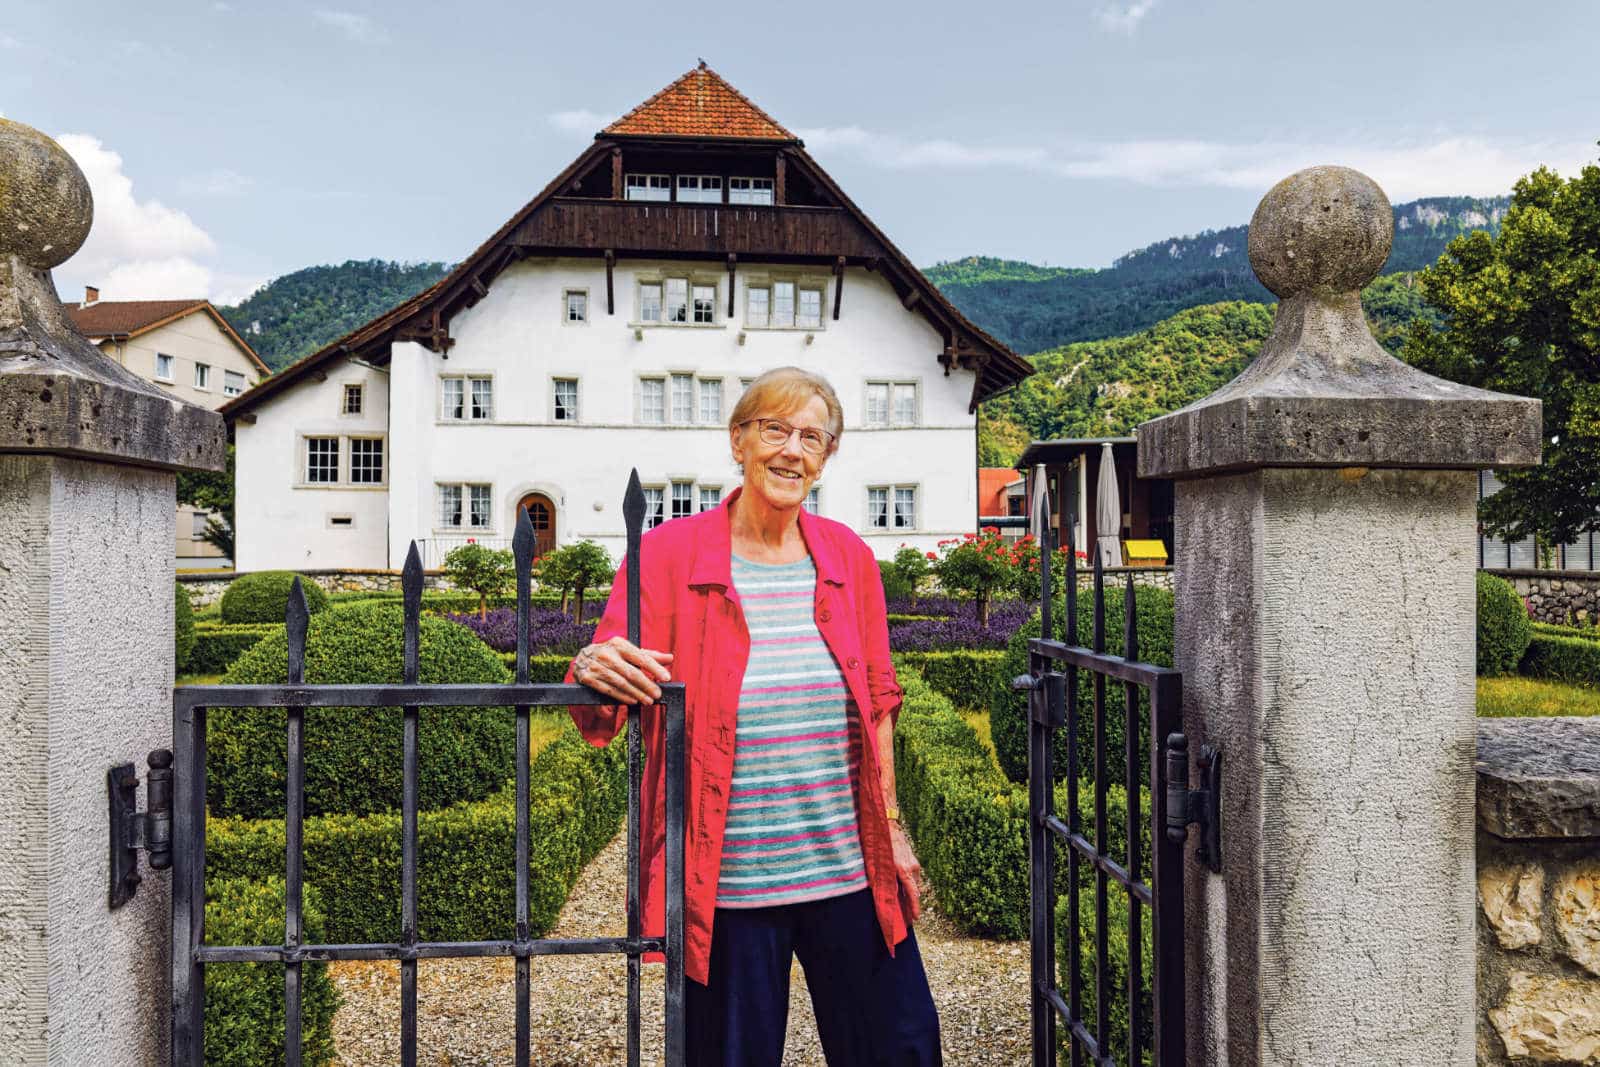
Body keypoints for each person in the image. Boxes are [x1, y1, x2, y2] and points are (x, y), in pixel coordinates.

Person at [565, 366, 942, 1066]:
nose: (792, 450)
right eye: (775, 429)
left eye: (812, 436)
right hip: (729, 884)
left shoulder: (850, 559)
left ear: (826, 456)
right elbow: (598, 699)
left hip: (850, 869)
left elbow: (879, 708)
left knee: (903, 1046)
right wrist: (592, 663)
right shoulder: (669, 555)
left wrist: (893, 833)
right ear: (738, 440)